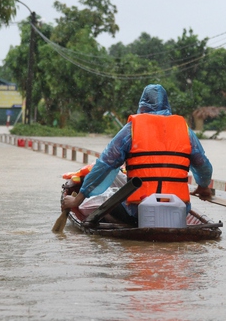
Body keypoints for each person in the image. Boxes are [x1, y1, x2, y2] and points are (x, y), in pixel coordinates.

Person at [62, 84, 213, 225]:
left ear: (142, 105)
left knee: (103, 202)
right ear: (167, 105)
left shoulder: (131, 130)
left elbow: (105, 166)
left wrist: (78, 200)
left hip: (138, 213)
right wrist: (203, 186)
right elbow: (203, 165)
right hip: (178, 211)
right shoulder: (186, 131)